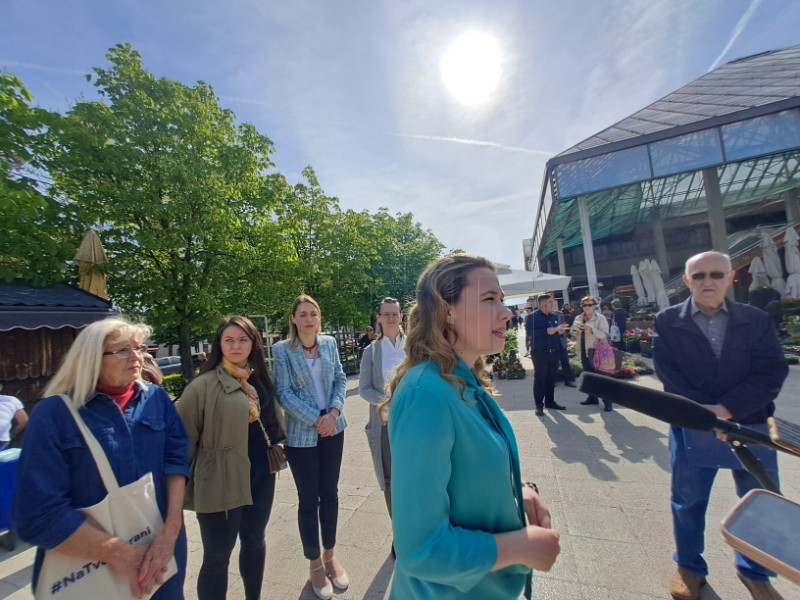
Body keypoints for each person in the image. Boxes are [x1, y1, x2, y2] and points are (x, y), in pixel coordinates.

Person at [383, 254, 560, 599]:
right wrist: (521, 547)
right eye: (489, 299)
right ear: (446, 310)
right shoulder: (426, 394)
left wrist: (513, 492)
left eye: (503, 300)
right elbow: (420, 550)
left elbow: (464, 471)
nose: (506, 313)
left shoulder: (463, 382)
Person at [13, 317, 189, 599]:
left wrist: (171, 534)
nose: (138, 357)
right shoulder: (54, 415)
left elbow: (176, 461)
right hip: (89, 568)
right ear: (91, 358)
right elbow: (38, 515)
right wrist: (122, 554)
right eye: (123, 350)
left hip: (162, 555)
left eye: (139, 348)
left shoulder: (157, 398)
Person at [652, 251, 789, 600]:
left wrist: (728, 409)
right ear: (686, 282)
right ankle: (689, 567)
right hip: (694, 423)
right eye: (698, 276)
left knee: (759, 499)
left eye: (716, 274)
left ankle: (755, 571)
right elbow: (669, 374)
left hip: (751, 422)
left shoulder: (755, 319)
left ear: (731, 278)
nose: (707, 282)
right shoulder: (668, 321)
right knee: (688, 499)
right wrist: (705, 412)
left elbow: (771, 371)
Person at [177, 315, 287, 600]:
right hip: (218, 479)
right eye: (229, 340)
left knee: (254, 541)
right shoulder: (202, 385)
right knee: (217, 556)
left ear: (254, 344)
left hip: (260, 474)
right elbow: (182, 440)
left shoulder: (260, 378)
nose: (236, 346)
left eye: (243, 340)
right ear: (219, 345)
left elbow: (274, 423)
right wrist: (177, 491)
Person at [273, 295, 349, 600]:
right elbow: (283, 392)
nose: (308, 319)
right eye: (302, 314)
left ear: (319, 318)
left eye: (313, 314)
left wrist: (333, 414)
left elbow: (340, 379)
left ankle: (330, 556)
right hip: (302, 436)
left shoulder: (329, 343)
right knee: (308, 501)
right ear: (293, 319)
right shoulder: (282, 350)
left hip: (334, 429)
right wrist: (315, 420)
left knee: (330, 494)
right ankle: (315, 563)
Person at [358, 298, 404, 535]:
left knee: (417, 473)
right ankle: (399, 533)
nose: (390, 318)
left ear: (401, 316)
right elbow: (364, 388)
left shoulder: (414, 347)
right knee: (390, 480)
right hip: (385, 423)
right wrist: (388, 404)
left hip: (415, 423)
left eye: (394, 313)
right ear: (378, 318)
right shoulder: (371, 351)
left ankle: (419, 528)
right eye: (385, 314)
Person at [571, 295, 613, 411]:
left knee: (603, 378)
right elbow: (573, 333)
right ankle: (592, 397)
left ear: (594, 306)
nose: (587, 307)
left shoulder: (600, 318)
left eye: (590, 305)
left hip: (598, 352)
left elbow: (604, 335)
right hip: (585, 352)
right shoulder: (578, 318)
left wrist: (591, 330)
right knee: (589, 377)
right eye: (584, 305)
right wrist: (577, 328)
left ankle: (608, 401)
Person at [531, 293, 568, 416]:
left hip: (554, 352)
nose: (553, 304)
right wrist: (546, 331)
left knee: (551, 378)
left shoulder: (554, 316)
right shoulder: (533, 317)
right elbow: (531, 333)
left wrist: (561, 332)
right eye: (551, 302)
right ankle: (539, 405)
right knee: (540, 379)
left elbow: (557, 332)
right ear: (542, 304)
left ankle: (550, 401)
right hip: (540, 352)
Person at [552, 299, 577, 388]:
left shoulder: (560, 314)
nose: (552, 305)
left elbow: (566, 324)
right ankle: (553, 381)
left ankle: (568, 380)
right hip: (552, 342)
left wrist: (564, 329)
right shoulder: (545, 315)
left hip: (561, 340)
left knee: (565, 361)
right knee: (553, 362)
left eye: (553, 303)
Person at [0, 384, 27, 450]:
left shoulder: (12, 400)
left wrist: (12, 434)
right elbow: (24, 421)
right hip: (3, 439)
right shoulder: (12, 400)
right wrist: (12, 434)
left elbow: (24, 421)